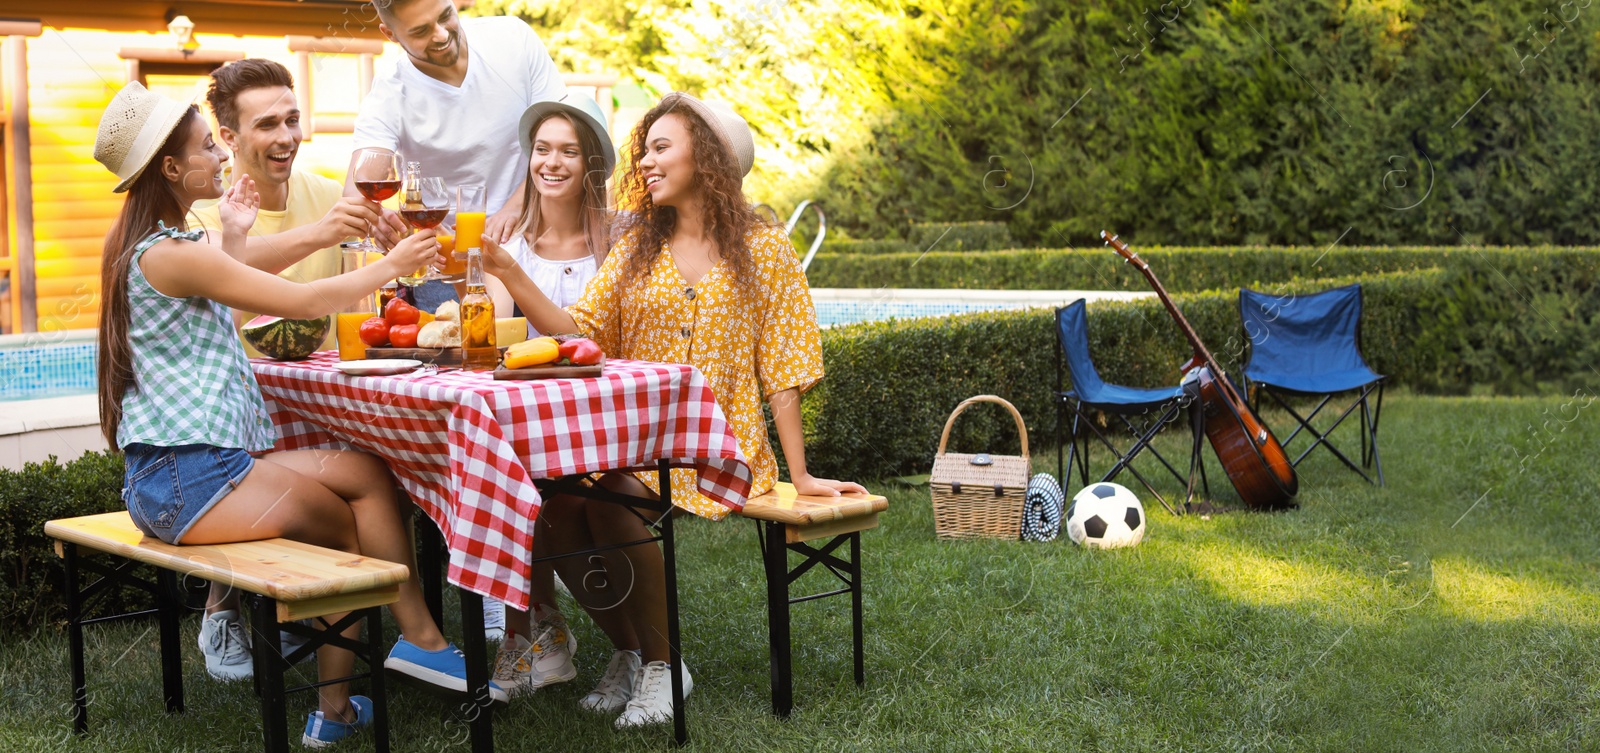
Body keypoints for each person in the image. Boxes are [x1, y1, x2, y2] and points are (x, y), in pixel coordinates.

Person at [91, 81, 504, 748]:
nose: (218, 157)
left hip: (189, 473)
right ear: (170, 169)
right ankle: (343, 703)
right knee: (337, 531)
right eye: (205, 148)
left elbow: (233, 294)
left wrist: (232, 234)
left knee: (364, 471)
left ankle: (414, 642)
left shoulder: (162, 245)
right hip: (186, 481)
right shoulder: (168, 254)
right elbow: (303, 294)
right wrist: (392, 265)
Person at [482, 92, 865, 727]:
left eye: (662, 148)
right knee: (554, 507)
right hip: (634, 439)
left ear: (708, 159)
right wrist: (513, 278)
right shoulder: (637, 247)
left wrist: (800, 476)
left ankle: (665, 665)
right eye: (645, 150)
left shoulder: (764, 249)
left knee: (612, 496)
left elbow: (785, 371)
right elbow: (581, 332)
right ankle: (631, 651)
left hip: (717, 445)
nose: (647, 162)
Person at [185, 58, 374, 681]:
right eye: (267, 124)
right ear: (230, 139)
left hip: (329, 390)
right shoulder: (206, 217)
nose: (287, 136)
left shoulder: (327, 193)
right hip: (242, 404)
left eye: (293, 119)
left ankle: (406, 606)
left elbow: (360, 290)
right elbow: (231, 291)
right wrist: (322, 235)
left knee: (403, 449)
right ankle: (225, 606)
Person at [483, 92, 617, 698]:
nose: (552, 162)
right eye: (542, 149)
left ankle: (542, 635)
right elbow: (494, 339)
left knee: (530, 493)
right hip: (529, 423)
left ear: (590, 164)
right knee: (497, 477)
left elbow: (591, 341)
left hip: (609, 424)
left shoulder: (619, 244)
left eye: (568, 151)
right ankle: (531, 633)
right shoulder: (508, 249)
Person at [348, 0, 566, 249]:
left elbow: (563, 135)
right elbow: (356, 191)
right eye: (421, 31)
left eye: (445, 16)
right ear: (390, 34)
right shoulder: (390, 91)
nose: (441, 35)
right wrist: (376, 220)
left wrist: (515, 208)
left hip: (536, 238)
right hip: (447, 253)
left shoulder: (513, 38)